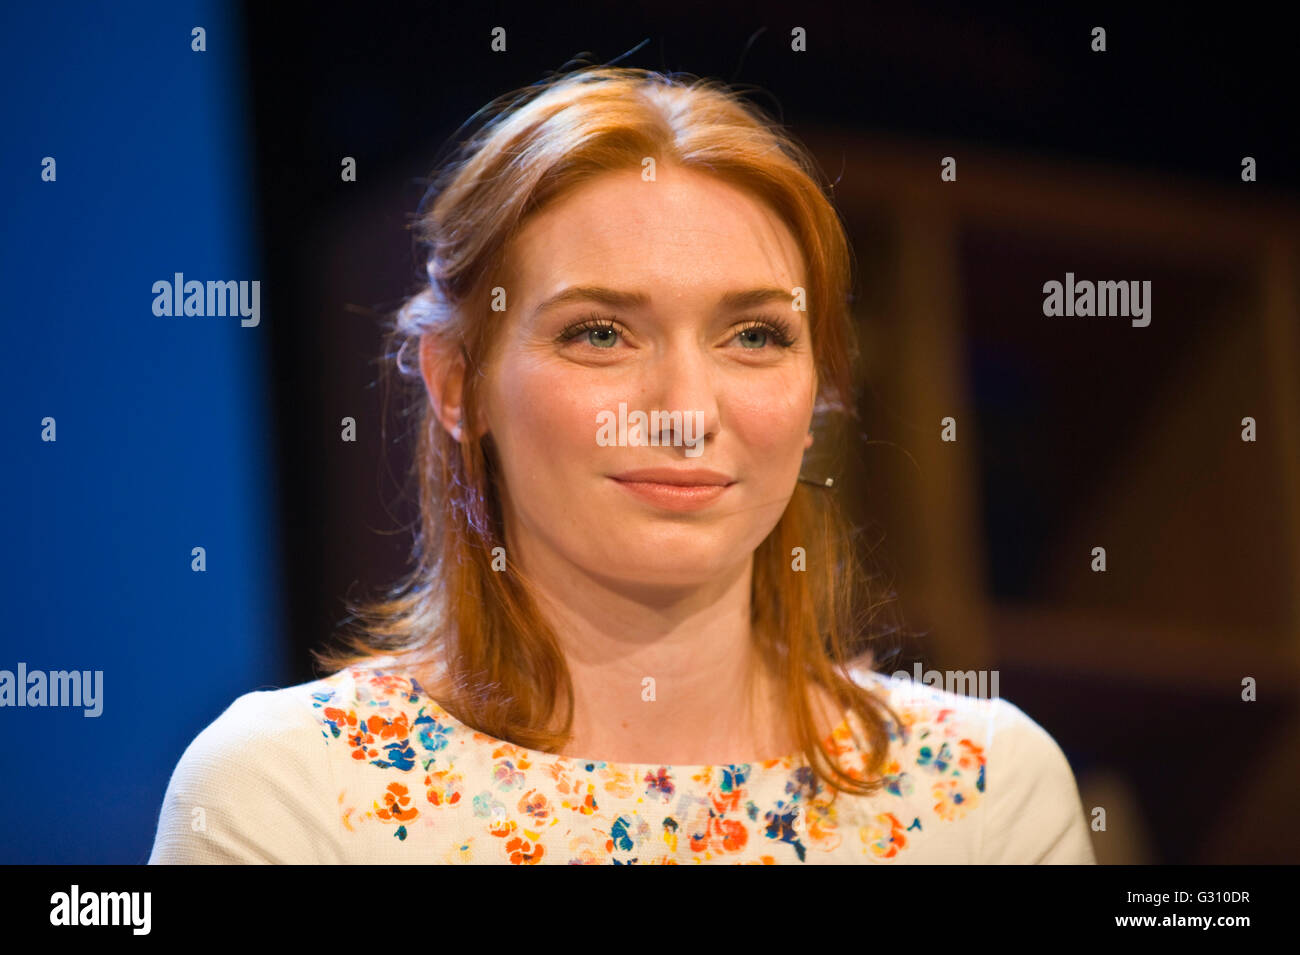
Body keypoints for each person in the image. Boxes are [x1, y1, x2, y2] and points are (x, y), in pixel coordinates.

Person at [149, 66, 1095, 864]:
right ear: (457, 381)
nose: (686, 412)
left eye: (755, 335)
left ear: (818, 395)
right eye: (600, 333)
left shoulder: (984, 793)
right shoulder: (289, 794)